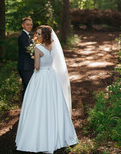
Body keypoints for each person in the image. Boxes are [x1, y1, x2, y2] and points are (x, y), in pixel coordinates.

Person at [15, 25, 78, 153]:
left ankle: (38, 137)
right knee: (53, 103)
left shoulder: (38, 48)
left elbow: (37, 67)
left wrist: (34, 59)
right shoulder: (52, 46)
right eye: (36, 33)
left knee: (37, 103)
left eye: (39, 34)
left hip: (41, 76)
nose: (36, 36)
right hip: (51, 76)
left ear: (44, 35)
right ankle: (60, 135)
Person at [17, 17, 35, 99]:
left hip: (27, 66)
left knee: (26, 88)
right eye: (27, 24)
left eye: (31, 24)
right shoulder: (23, 37)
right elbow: (29, 49)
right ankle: (27, 108)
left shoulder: (27, 36)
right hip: (25, 66)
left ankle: (25, 109)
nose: (30, 26)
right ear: (22, 25)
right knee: (29, 87)